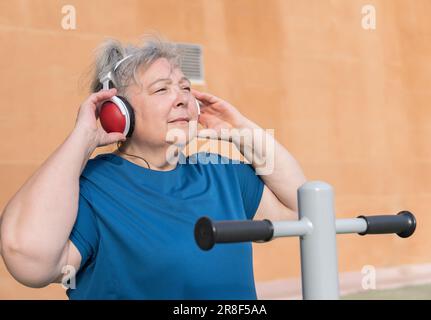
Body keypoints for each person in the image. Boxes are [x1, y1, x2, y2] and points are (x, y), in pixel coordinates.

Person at [0, 36, 306, 299]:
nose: (182, 99)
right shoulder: (91, 189)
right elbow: (28, 259)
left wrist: (241, 129)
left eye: (185, 88)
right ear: (118, 112)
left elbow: (303, 209)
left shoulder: (223, 174)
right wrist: (82, 139)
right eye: (162, 90)